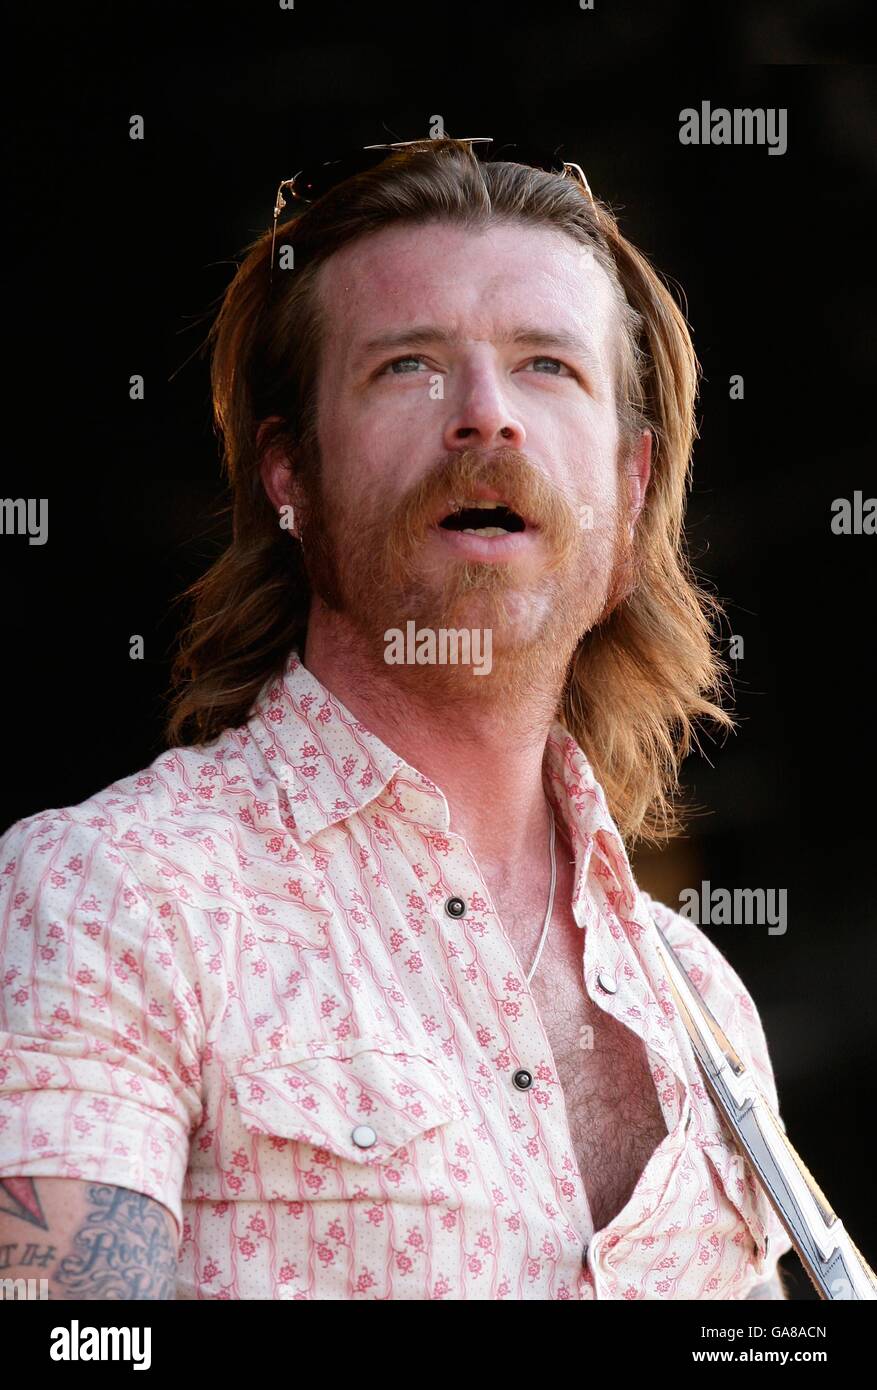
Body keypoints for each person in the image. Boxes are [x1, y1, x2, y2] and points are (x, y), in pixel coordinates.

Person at [0, 137, 794, 1300]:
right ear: (291, 478)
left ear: (629, 494)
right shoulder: (114, 895)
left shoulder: (700, 1000)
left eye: (545, 367)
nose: (484, 416)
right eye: (408, 366)